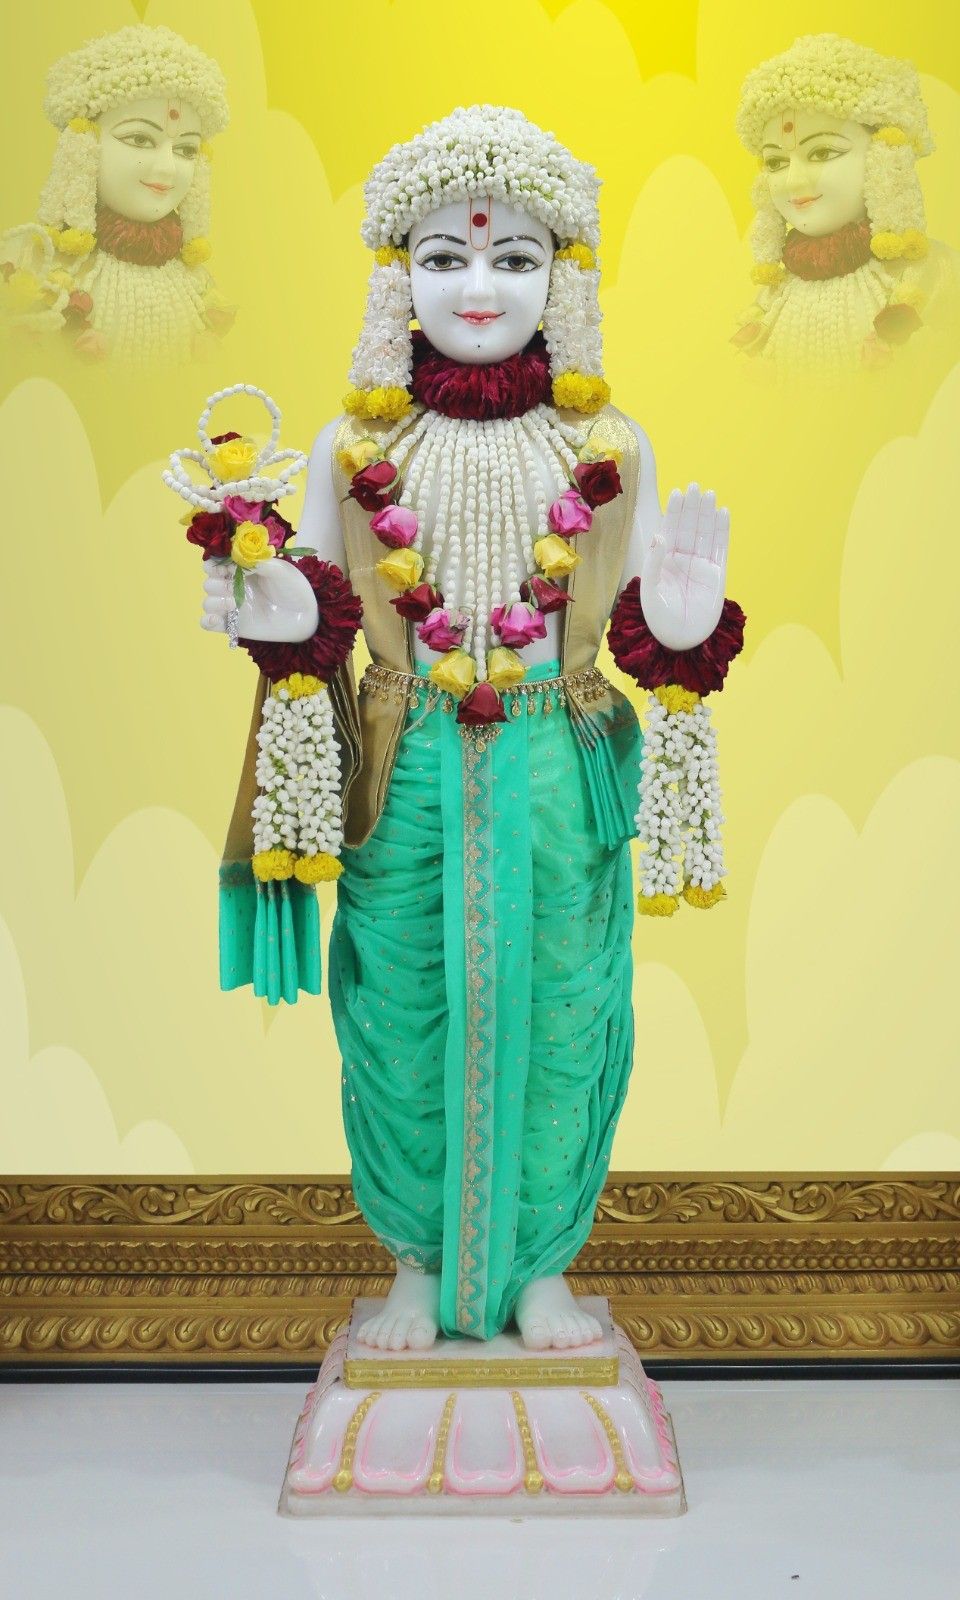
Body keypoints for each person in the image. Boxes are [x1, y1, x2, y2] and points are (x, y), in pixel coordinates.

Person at [202, 106, 733, 1352]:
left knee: (565, 1007)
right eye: (443, 258)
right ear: (397, 278)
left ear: (565, 277)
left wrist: (681, 619)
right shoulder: (352, 443)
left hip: (561, 753)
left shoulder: (608, 442)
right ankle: (411, 1259)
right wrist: (267, 602)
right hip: (405, 765)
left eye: (513, 257)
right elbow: (314, 628)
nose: (480, 285)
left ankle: (544, 1266)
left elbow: (652, 623)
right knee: (395, 1012)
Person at [0, 24, 232, 363]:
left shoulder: (198, 284)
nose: (168, 168)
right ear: (84, 145)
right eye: (140, 140)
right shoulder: (32, 265)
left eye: (185, 149)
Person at [733, 33, 959, 373]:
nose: (794, 181)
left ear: (884, 157)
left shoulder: (931, 275)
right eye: (777, 163)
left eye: (822, 152)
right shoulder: (773, 297)